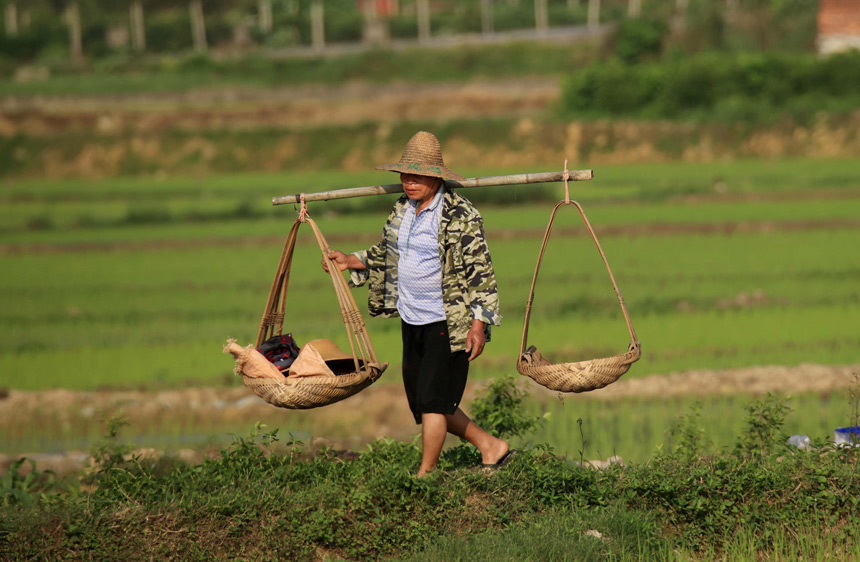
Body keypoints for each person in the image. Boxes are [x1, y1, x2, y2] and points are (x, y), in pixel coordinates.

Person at [323, 131, 515, 477]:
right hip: (412, 317)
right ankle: (491, 446)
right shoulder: (403, 210)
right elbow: (387, 253)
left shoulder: (461, 215)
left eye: (417, 175)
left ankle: (425, 475)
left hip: (447, 320)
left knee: (431, 400)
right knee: (425, 399)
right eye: (404, 175)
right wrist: (350, 260)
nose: (408, 182)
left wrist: (479, 324)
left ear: (436, 177)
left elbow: (480, 271)